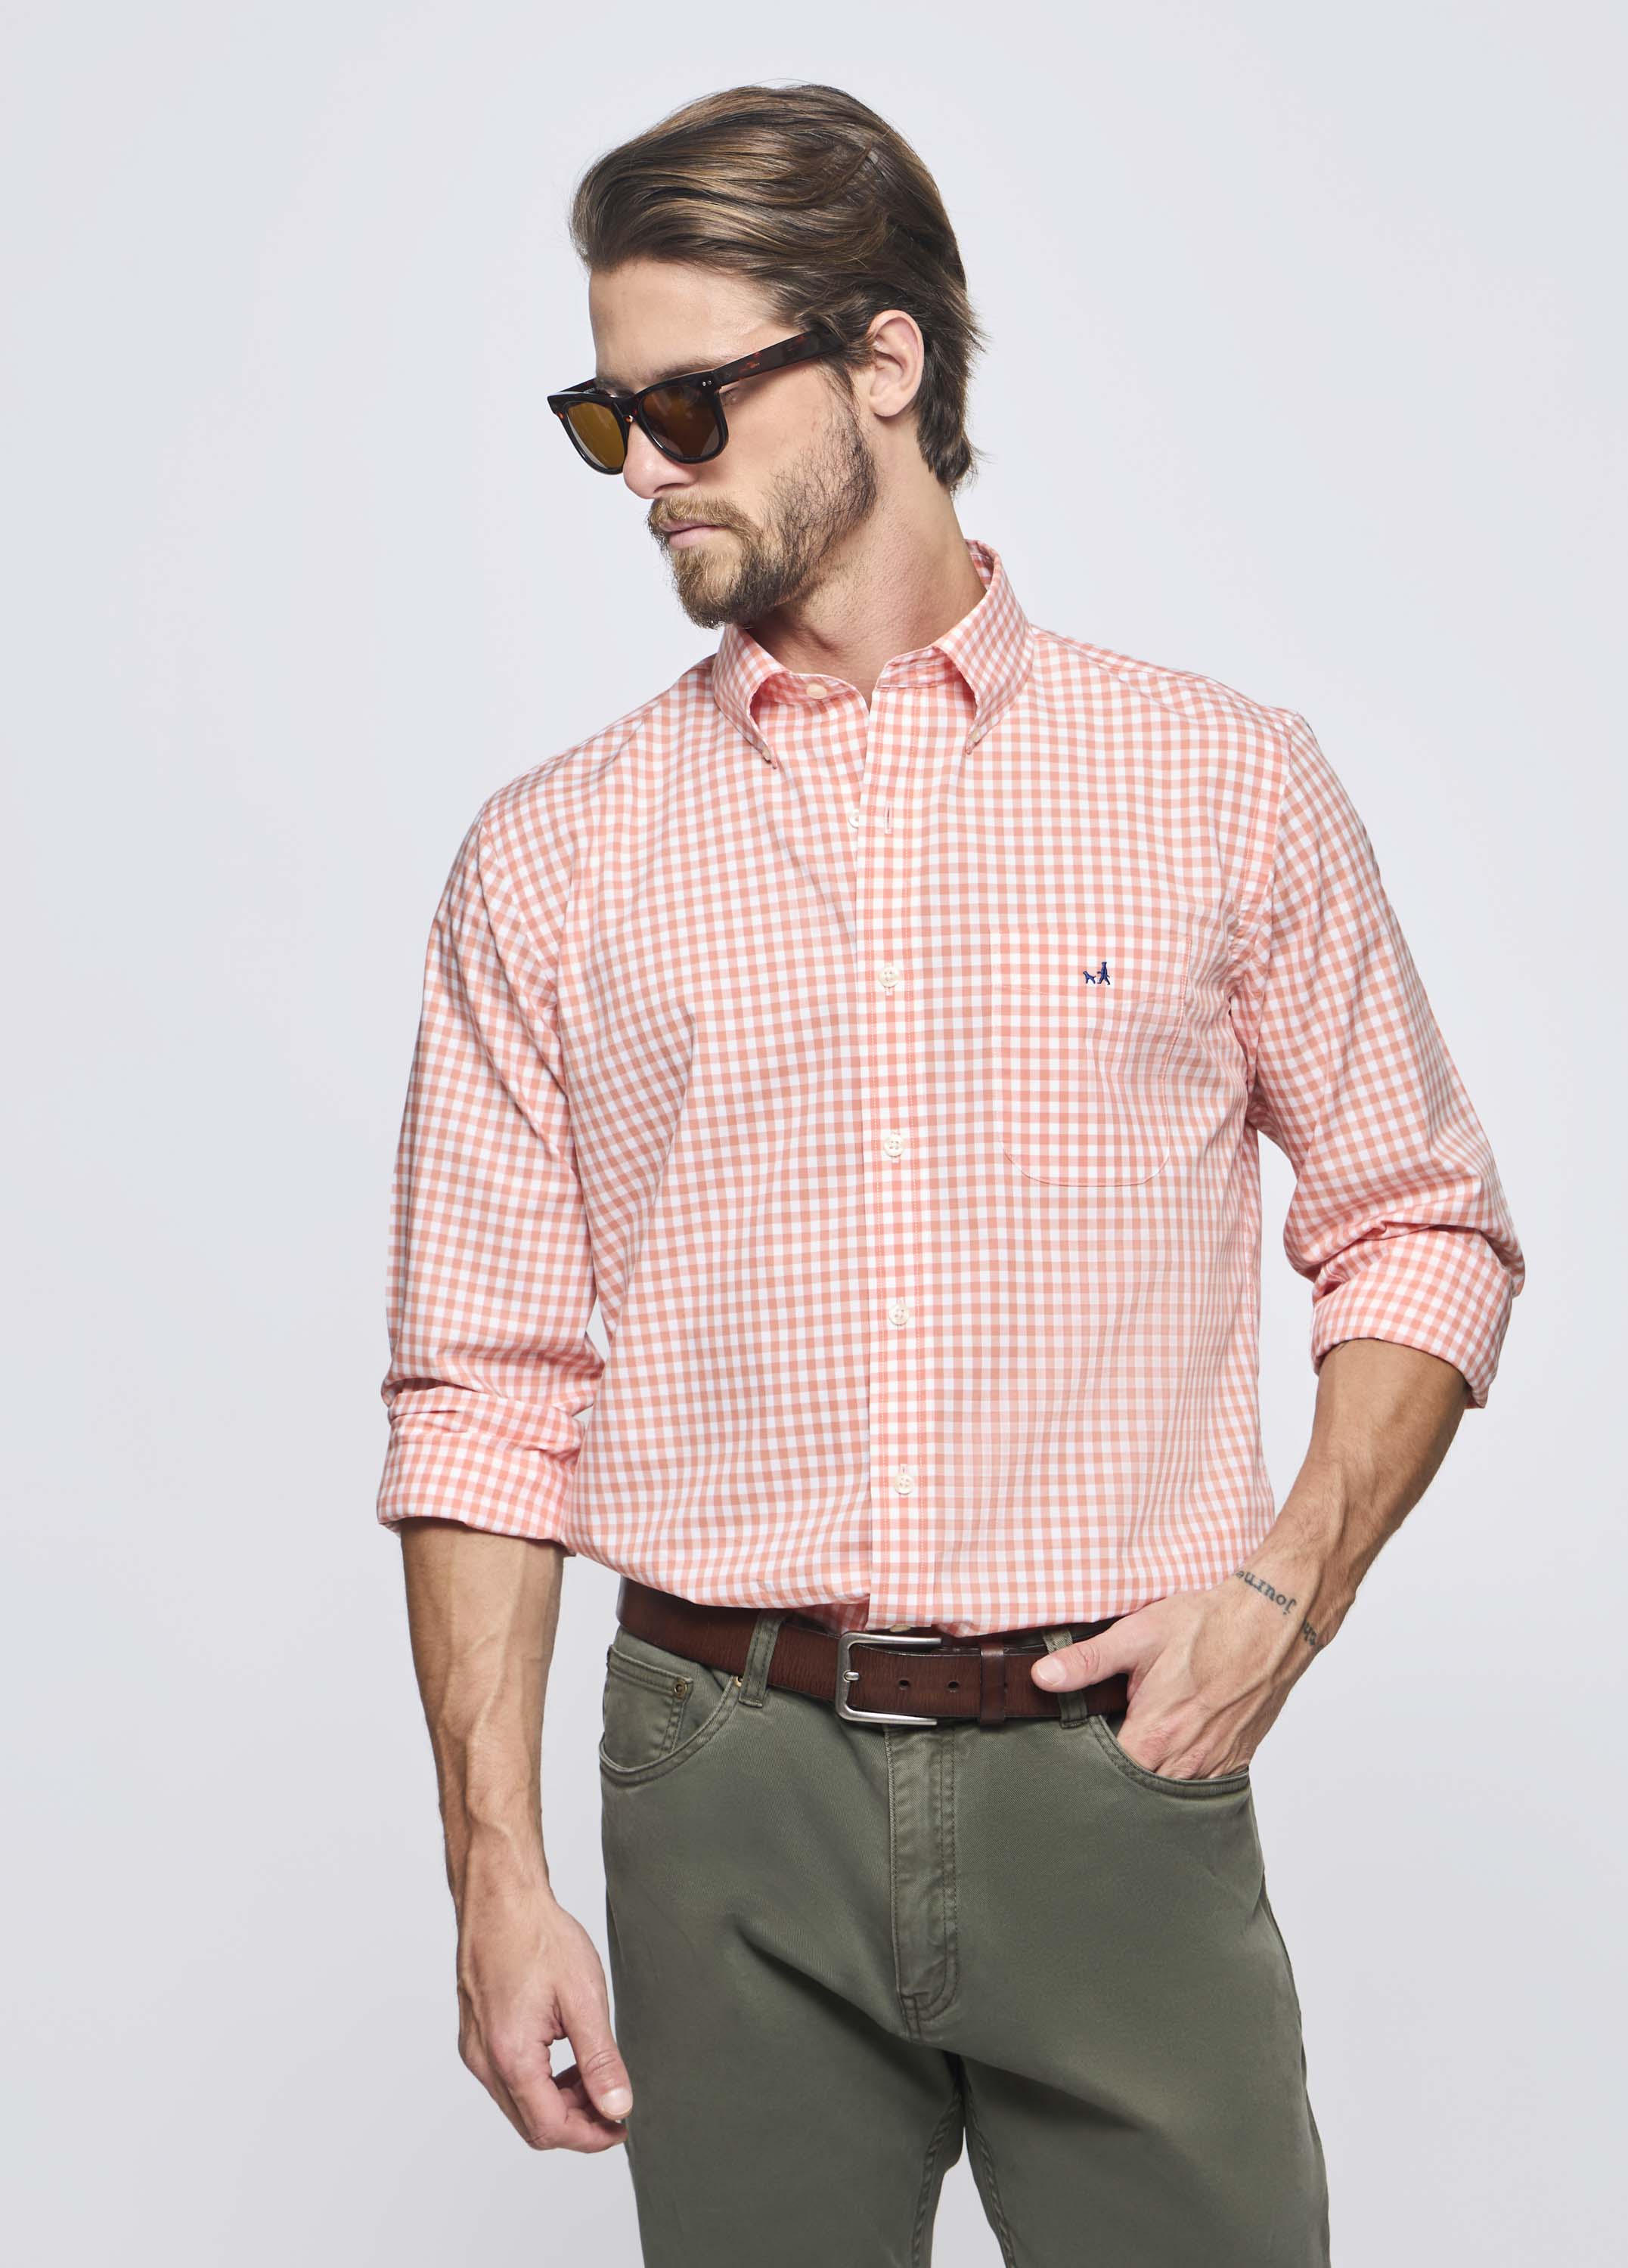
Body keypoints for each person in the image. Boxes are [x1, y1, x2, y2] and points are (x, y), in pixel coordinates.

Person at [376, 79, 1526, 2268]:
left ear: (883, 360)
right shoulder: (552, 859)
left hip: (1109, 1768)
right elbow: (484, 1391)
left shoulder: (1219, 785)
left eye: (691, 407)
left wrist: (1287, 1591)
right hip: (721, 1778)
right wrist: (492, 1869)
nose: (645, 474)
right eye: (607, 419)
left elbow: (1420, 1225)